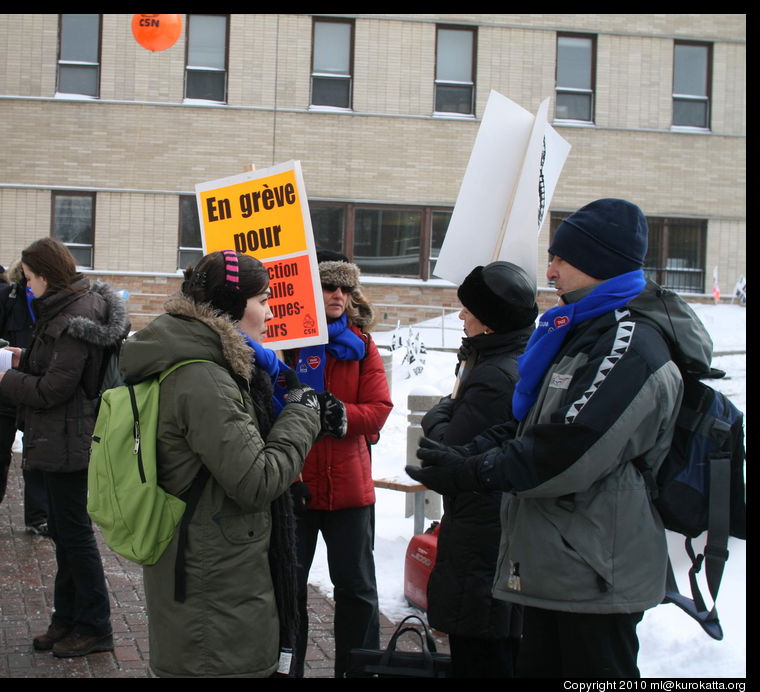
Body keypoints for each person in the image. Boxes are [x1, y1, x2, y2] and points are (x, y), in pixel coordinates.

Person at [407, 198, 706, 678]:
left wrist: (473, 471)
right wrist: (469, 452)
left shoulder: (628, 344)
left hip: (595, 570)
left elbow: (567, 450)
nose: (550, 270)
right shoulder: (582, 330)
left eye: (561, 259)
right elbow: (533, 425)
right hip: (558, 564)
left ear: (598, 262)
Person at [119, 249, 323, 678]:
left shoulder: (206, 363)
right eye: (263, 300)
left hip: (209, 567)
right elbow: (256, 480)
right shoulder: (203, 377)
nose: (269, 313)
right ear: (232, 307)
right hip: (212, 587)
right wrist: (304, 412)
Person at [0, 237, 129, 659]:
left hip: (70, 439)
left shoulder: (75, 315)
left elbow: (57, 387)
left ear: (47, 276)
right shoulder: (69, 307)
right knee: (65, 533)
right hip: (60, 437)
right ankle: (68, 618)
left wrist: (9, 381)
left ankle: (94, 625)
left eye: (30, 278)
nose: (27, 286)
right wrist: (24, 359)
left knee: (73, 535)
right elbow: (56, 367)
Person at [417, 261, 538, 677]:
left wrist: (438, 413)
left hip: (481, 534)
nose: (461, 315)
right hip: (494, 530)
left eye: (469, 309)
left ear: (490, 321)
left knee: (482, 651)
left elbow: (446, 450)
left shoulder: (494, 377)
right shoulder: (509, 358)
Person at [285, 250, 393, 678]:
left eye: (345, 287)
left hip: (350, 490)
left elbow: (380, 408)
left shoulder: (361, 344)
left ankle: (359, 671)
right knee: (288, 591)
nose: (338, 295)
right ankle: (285, 668)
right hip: (295, 485)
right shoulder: (287, 346)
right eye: (328, 285)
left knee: (358, 591)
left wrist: (339, 414)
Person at [0, 261, 49, 532]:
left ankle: (38, 516)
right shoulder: (6, 298)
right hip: (2, 386)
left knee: (37, 454)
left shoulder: (55, 301)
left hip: (37, 390)